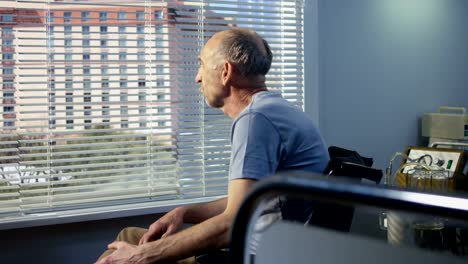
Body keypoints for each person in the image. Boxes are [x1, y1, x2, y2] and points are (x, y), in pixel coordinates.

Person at [96, 27, 329, 264]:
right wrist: (184, 213)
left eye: (202, 65)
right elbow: (245, 202)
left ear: (226, 72)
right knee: (131, 236)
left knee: (128, 249)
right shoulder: (277, 111)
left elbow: (232, 224)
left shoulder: (256, 120)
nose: (197, 77)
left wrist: (141, 256)